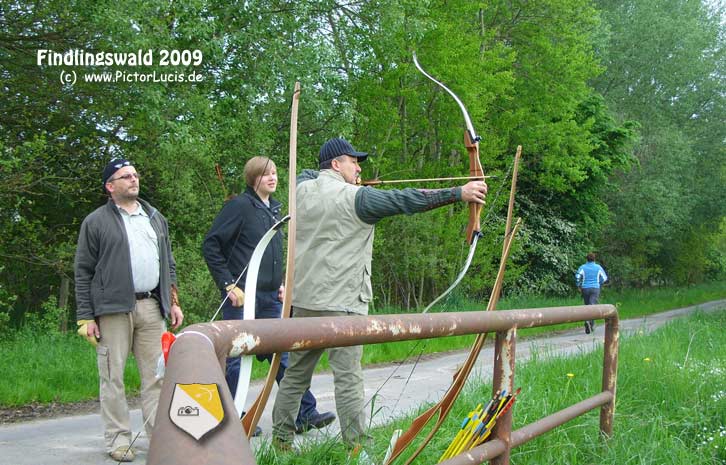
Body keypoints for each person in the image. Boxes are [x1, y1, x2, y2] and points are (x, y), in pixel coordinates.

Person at [271, 137, 489, 450]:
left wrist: (346, 180)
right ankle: (358, 449)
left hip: (304, 302)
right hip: (343, 305)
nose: (358, 167)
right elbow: (406, 200)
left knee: (295, 376)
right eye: (352, 161)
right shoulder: (359, 198)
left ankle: (280, 444)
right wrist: (458, 193)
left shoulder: (301, 191)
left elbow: (306, 173)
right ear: (335, 164)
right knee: (347, 378)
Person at [202, 156, 335, 436]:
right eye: (265, 175)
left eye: (274, 173)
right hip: (243, 297)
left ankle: (303, 413)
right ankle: (233, 420)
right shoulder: (239, 207)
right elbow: (211, 245)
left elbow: (274, 254)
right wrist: (227, 284)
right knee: (236, 359)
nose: (272, 178)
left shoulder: (273, 209)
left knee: (285, 356)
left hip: (270, 299)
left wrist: (283, 283)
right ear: (253, 179)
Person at [74, 158, 184, 462]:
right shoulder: (96, 222)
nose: (133, 180)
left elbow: (168, 263)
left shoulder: (154, 216)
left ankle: (160, 438)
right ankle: (119, 440)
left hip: (152, 306)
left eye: (135, 175)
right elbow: (83, 271)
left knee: (157, 377)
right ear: (110, 186)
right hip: (112, 311)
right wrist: (85, 316)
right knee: (113, 377)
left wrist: (173, 301)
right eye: (125, 177)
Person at [575, 252, 608, 334]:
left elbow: (577, 276)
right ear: (594, 259)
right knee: (592, 305)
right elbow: (604, 278)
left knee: (587, 305)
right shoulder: (598, 267)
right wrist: (599, 283)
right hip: (595, 288)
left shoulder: (583, 267)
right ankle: (590, 322)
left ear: (587, 259)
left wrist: (578, 285)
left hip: (585, 288)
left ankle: (589, 322)